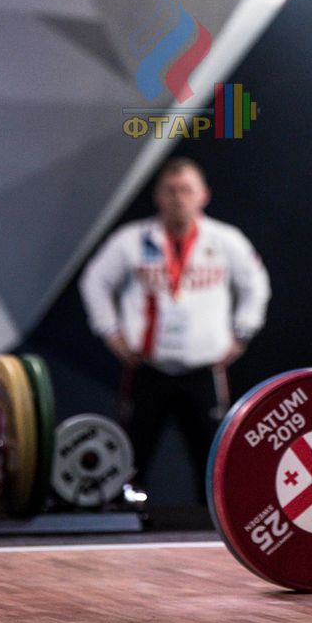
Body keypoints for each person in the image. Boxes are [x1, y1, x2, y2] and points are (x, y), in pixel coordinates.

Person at [79, 156, 271, 502]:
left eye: (186, 190)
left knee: (214, 458)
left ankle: (213, 522)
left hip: (204, 371)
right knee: (131, 457)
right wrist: (109, 330)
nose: (179, 198)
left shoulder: (225, 240)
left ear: (203, 195)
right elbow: (95, 281)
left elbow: (256, 285)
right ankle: (125, 517)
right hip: (147, 368)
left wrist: (243, 332)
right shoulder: (132, 240)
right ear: (158, 196)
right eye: (171, 190)